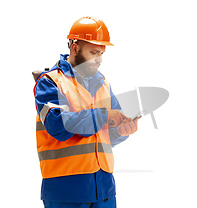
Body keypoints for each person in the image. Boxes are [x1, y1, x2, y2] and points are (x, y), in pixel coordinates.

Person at [33, 16, 140, 208]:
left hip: (104, 190)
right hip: (66, 191)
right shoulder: (50, 82)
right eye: (93, 52)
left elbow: (103, 137)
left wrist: (120, 131)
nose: (99, 60)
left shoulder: (103, 84)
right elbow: (58, 125)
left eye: (102, 53)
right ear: (75, 48)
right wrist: (105, 115)